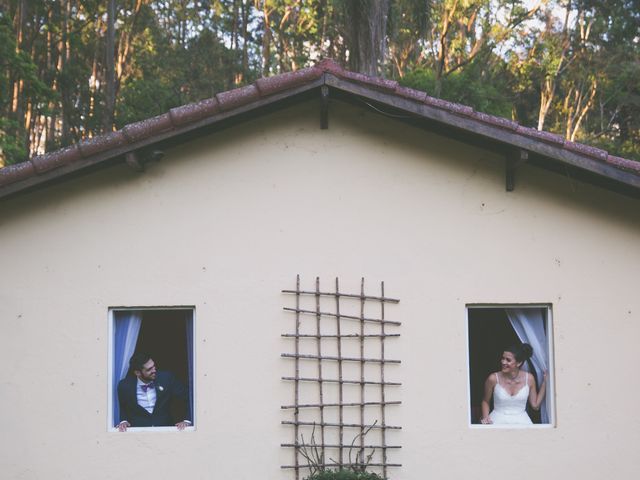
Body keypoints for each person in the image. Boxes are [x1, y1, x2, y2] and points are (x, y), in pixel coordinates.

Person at [117, 352, 192, 431]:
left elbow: (188, 397)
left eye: (153, 366)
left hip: (165, 430)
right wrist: (123, 421)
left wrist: (187, 420)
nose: (154, 370)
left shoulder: (166, 378)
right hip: (139, 432)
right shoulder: (125, 385)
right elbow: (122, 406)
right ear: (137, 373)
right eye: (149, 369)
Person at [480, 343, 547, 425]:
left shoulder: (529, 378)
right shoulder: (493, 378)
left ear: (518, 363)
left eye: (508, 360)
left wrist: (545, 382)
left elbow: (535, 405)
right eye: (503, 358)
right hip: (496, 421)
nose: (503, 362)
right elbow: (485, 401)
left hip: (522, 422)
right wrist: (485, 417)